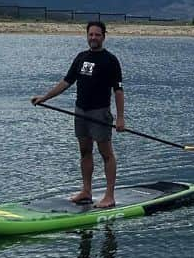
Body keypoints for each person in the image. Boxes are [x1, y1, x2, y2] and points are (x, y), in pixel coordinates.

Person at [32, 20, 125, 209]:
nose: (93, 38)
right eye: (91, 34)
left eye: (97, 35)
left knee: (106, 154)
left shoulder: (111, 60)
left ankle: (109, 196)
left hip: (100, 113)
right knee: (85, 152)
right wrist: (45, 98)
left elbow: (118, 90)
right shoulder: (81, 57)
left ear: (104, 37)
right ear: (87, 36)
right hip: (81, 111)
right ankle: (86, 191)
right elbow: (66, 82)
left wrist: (121, 117)